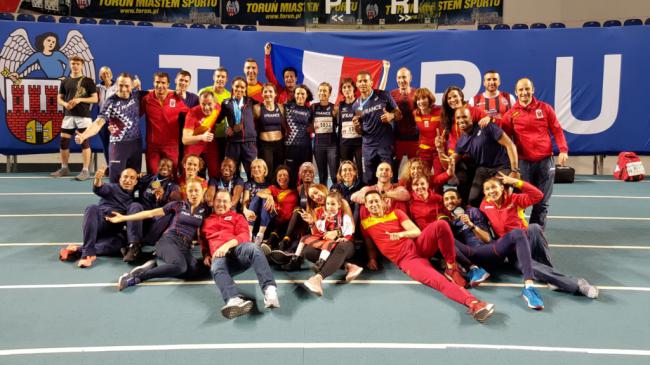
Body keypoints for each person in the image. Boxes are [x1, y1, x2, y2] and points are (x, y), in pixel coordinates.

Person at [361, 190, 494, 322]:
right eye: (370, 202)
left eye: (376, 201)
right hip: (408, 260)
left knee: (441, 224)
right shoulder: (365, 224)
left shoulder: (396, 213)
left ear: (382, 201)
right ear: (366, 205)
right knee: (440, 282)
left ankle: (451, 267)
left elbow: (416, 231)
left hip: (418, 246)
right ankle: (474, 304)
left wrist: (401, 234)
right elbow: (370, 245)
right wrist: (372, 258)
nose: (374, 204)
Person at [444, 187, 598, 298]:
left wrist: (515, 181)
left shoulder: (480, 209)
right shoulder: (479, 209)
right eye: (446, 199)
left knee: (534, 228)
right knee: (530, 265)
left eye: (453, 197)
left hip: (512, 242)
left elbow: (488, 238)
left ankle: (559, 279)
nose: (450, 201)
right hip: (501, 250)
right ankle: (570, 282)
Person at [113, 178, 209, 291]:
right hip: (169, 240)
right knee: (180, 267)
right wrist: (124, 217)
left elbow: (204, 234)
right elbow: (150, 213)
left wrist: (206, 253)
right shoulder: (178, 205)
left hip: (185, 246)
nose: (193, 194)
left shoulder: (205, 210)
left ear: (202, 191)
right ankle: (136, 277)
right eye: (190, 191)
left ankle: (157, 264)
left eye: (196, 190)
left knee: (193, 270)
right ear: (186, 192)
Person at [201, 189, 280, 319]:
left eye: (225, 201)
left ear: (231, 203)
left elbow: (244, 235)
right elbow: (203, 242)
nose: (221, 204)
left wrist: (226, 245)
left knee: (254, 248)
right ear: (213, 203)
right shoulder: (206, 222)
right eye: (218, 201)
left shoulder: (237, 217)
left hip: (237, 251)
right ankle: (233, 300)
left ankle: (269, 290)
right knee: (216, 268)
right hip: (219, 256)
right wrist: (206, 255)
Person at [502, 78, 569, 228]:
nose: (524, 92)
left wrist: (563, 150)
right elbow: (504, 140)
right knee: (522, 201)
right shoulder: (511, 114)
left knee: (542, 203)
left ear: (533, 89)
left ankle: (536, 236)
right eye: (521, 90)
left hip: (545, 161)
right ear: (516, 92)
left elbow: (557, 130)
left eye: (527, 89)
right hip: (523, 163)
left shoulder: (545, 108)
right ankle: (520, 233)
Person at [58, 168, 138, 268]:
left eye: (132, 178)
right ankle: (87, 255)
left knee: (120, 244)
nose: (128, 180)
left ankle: (77, 250)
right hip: (98, 225)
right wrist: (97, 179)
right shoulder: (112, 188)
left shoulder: (135, 201)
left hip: (112, 231)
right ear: (120, 179)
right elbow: (99, 188)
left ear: (135, 182)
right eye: (125, 177)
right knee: (92, 207)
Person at [75, 73, 143, 183]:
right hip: (118, 145)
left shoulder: (137, 96)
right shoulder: (110, 102)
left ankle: (131, 200)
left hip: (136, 144)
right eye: (120, 85)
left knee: (134, 180)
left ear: (132, 86)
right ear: (116, 85)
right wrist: (84, 135)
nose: (123, 89)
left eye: (127, 86)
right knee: (116, 181)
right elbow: (98, 123)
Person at [297, 191, 363, 296]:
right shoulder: (323, 215)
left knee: (340, 247)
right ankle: (348, 266)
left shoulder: (344, 215)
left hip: (345, 243)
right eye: (328, 204)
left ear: (339, 204)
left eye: (332, 204)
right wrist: (311, 223)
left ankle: (318, 278)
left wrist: (340, 234)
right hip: (329, 244)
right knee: (308, 251)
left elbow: (350, 230)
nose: (330, 206)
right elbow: (318, 233)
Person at [454, 105, 519, 207]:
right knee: (473, 200)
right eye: (458, 118)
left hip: (502, 166)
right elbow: (452, 161)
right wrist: (440, 150)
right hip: (483, 170)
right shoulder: (461, 141)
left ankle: (509, 219)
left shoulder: (486, 126)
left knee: (499, 195)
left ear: (471, 118)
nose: (461, 120)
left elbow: (510, 145)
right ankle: (482, 221)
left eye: (464, 117)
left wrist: (515, 171)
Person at [51, 55, 98, 181]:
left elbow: (95, 98)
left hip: (83, 116)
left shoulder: (88, 81)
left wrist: (79, 99)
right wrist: (65, 104)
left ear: (82, 65)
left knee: (84, 142)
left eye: (77, 63)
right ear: (70, 65)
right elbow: (59, 98)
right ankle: (64, 168)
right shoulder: (65, 81)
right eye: (73, 63)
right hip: (68, 116)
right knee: (64, 142)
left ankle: (85, 170)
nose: (75, 66)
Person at [123, 158, 179, 262]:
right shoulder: (148, 178)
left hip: (156, 221)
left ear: (172, 171)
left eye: (168, 166)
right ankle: (134, 245)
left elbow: (176, 201)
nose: (165, 167)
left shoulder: (173, 186)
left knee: (169, 214)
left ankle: (137, 242)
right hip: (141, 217)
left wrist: (162, 199)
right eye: (163, 165)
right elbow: (132, 184)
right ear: (158, 167)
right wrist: (136, 176)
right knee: (135, 205)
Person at [352, 71, 401, 184]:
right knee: (369, 180)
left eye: (365, 80)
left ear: (371, 82)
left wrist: (391, 115)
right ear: (357, 84)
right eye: (360, 81)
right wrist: (356, 126)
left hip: (385, 145)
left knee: (389, 178)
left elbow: (399, 114)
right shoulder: (357, 105)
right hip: (368, 147)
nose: (363, 83)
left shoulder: (383, 95)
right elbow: (360, 131)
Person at [141, 71, 189, 174]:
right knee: (153, 175)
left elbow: (190, 115)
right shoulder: (147, 99)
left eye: (163, 83)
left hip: (171, 145)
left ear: (168, 85)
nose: (160, 85)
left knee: (173, 175)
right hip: (153, 146)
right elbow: (134, 116)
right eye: (157, 82)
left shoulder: (176, 97)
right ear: (153, 83)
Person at [216, 77, 258, 179]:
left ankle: (251, 193)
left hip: (249, 143)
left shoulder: (251, 101)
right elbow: (218, 119)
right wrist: (227, 127)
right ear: (232, 87)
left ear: (245, 89)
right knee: (232, 173)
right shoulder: (226, 103)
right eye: (237, 86)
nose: (239, 89)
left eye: (242, 87)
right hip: (233, 143)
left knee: (252, 173)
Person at [251, 165, 298, 249]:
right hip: (273, 220)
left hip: (288, 224)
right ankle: (255, 233)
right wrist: (269, 196)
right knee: (261, 198)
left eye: (285, 175)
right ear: (276, 178)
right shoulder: (273, 188)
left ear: (290, 177)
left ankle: (274, 246)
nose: (282, 177)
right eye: (279, 175)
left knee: (297, 209)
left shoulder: (295, 191)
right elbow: (259, 193)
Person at [182, 90, 219, 178]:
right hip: (195, 142)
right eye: (203, 104)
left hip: (210, 142)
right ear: (199, 103)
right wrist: (202, 137)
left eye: (209, 104)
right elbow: (185, 139)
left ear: (215, 103)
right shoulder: (192, 113)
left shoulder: (218, 108)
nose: (206, 107)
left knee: (215, 171)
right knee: (188, 170)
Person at [199, 67, 231, 169]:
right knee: (201, 165)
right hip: (204, 133)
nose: (220, 79)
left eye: (223, 77)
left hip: (221, 136)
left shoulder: (229, 95)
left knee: (218, 165)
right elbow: (195, 112)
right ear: (214, 77)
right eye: (218, 76)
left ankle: (217, 184)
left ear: (226, 79)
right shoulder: (204, 91)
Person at [254, 83, 287, 174]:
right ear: (262, 94)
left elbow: (285, 125)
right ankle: (268, 188)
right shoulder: (257, 108)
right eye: (265, 91)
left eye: (270, 91)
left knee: (279, 169)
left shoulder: (280, 107)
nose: (268, 94)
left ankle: (277, 188)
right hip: (265, 146)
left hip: (279, 144)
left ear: (275, 94)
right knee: (267, 170)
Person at [391, 67, 419, 174]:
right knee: (393, 170)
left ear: (410, 78)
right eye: (399, 77)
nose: (401, 80)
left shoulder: (417, 93)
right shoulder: (392, 94)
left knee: (414, 170)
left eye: (404, 77)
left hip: (414, 138)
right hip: (396, 138)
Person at [284, 85, 314, 184]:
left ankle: (305, 196)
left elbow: (313, 127)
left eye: (302, 94)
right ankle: (292, 197)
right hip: (290, 147)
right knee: (291, 175)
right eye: (298, 93)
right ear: (294, 95)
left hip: (306, 147)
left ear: (307, 95)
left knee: (306, 175)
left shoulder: (310, 111)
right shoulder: (287, 107)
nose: (300, 96)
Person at [312, 82, 339, 185]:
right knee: (322, 175)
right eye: (320, 90)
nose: (322, 92)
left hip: (332, 145)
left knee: (334, 175)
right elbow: (310, 125)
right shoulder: (313, 107)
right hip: (318, 145)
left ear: (329, 93)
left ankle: (337, 196)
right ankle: (323, 199)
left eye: (325, 91)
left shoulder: (334, 108)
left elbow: (339, 125)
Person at [412, 87, 444, 174]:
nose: (421, 101)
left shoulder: (440, 110)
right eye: (418, 99)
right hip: (424, 151)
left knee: (438, 177)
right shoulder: (415, 113)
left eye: (424, 98)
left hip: (438, 150)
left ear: (429, 99)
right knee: (423, 176)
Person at [337, 78, 363, 176]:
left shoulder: (360, 103)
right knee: (347, 171)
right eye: (344, 87)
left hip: (359, 144)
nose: (347, 89)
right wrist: (339, 146)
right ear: (342, 91)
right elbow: (339, 127)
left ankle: (361, 189)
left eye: (349, 87)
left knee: (360, 170)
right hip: (345, 144)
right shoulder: (340, 106)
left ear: (354, 89)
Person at [95, 66, 117, 168]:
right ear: (101, 76)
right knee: (105, 144)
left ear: (111, 74)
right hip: (102, 119)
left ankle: (116, 166)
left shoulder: (117, 87)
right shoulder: (97, 87)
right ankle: (109, 166)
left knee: (115, 144)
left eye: (107, 73)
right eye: (103, 73)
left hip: (115, 119)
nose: (106, 75)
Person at [242, 159, 271, 235]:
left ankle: (260, 235)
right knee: (257, 197)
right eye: (253, 168)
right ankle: (249, 233)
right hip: (251, 215)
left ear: (264, 170)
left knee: (264, 197)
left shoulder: (269, 185)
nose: (256, 169)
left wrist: (269, 197)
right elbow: (245, 200)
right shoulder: (248, 184)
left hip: (265, 215)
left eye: (259, 167)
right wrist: (245, 210)